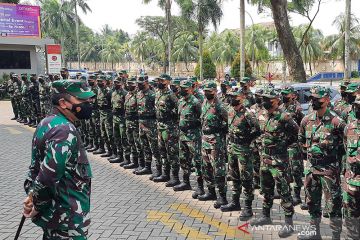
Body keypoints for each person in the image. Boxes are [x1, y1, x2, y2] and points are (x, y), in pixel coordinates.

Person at [23, 79, 94, 239]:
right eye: (82, 100)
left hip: (57, 215)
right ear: (63, 103)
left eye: (89, 99)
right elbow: (48, 176)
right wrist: (37, 204)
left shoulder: (47, 123)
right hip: (67, 219)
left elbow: (35, 169)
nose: (88, 104)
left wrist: (32, 196)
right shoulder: (64, 130)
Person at [298, 86, 345, 240]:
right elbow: (301, 141)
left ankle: (335, 236)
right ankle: (314, 233)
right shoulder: (307, 120)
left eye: (317, 98)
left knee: (333, 205)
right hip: (312, 168)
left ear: (326, 100)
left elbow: (347, 143)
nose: (314, 101)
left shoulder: (336, 122)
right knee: (312, 202)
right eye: (312, 98)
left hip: (329, 170)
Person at [250, 86, 298, 238]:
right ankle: (266, 216)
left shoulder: (285, 117)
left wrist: (283, 146)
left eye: (268, 100)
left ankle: (289, 224)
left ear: (276, 101)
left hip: (279, 161)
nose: (264, 102)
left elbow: (297, 134)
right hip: (265, 159)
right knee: (266, 190)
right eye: (263, 99)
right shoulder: (263, 115)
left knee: (284, 191)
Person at [221, 90, 261, 221]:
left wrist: (246, 140)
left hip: (244, 150)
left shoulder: (248, 114)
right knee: (234, 177)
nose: (232, 99)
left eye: (235, 97)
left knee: (246, 179)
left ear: (242, 98)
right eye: (231, 97)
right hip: (232, 148)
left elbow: (257, 130)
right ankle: (235, 202)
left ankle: (248, 208)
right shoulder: (230, 110)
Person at [198, 81, 228, 209]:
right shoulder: (205, 102)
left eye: (209, 91)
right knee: (206, 168)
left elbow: (229, 122)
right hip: (205, 140)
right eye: (205, 91)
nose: (206, 93)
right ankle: (211, 192)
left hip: (216, 142)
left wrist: (221, 133)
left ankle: (222, 197)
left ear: (215, 92)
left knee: (218, 169)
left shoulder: (220, 106)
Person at [154, 74, 180, 186]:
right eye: (159, 80)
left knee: (172, 153)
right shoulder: (158, 93)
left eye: (162, 81)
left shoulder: (171, 95)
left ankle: (175, 178)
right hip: (160, 126)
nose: (160, 82)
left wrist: (173, 121)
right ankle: (165, 174)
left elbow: (179, 111)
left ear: (168, 82)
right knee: (162, 151)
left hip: (169, 128)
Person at [280, 86, 304, 206]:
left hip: (294, 144)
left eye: (286, 94)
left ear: (292, 95)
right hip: (283, 144)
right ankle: (287, 192)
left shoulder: (297, 108)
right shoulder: (281, 107)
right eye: (283, 94)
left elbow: (302, 125)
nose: (284, 96)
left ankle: (297, 195)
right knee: (285, 170)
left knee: (296, 170)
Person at [175, 79, 202, 192]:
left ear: (191, 89)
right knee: (183, 160)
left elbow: (202, 118)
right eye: (181, 88)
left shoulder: (195, 102)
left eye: (185, 89)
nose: (182, 91)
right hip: (182, 135)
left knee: (197, 162)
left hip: (193, 136)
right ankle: (185, 182)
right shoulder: (180, 101)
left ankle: (200, 187)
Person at [135, 75, 161, 177]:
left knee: (154, 148)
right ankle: (147, 167)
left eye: (141, 84)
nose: (139, 85)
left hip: (151, 124)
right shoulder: (138, 94)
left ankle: (159, 170)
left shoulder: (152, 95)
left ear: (146, 83)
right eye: (138, 84)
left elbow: (157, 110)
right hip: (141, 123)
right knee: (145, 146)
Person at [343, 95, 360, 240]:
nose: (358, 109)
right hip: (352, 180)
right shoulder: (350, 127)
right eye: (357, 106)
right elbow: (346, 149)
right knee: (350, 213)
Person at [122, 76, 143, 169]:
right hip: (128, 121)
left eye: (132, 84)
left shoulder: (138, 95)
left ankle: (141, 164)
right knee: (131, 142)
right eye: (128, 84)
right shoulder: (127, 95)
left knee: (138, 143)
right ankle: (134, 162)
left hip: (136, 122)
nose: (129, 85)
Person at [109, 77, 130, 164]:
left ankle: (127, 158)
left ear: (121, 83)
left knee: (124, 138)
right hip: (115, 118)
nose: (115, 84)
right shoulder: (113, 93)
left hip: (122, 119)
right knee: (116, 137)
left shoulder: (125, 93)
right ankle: (119, 156)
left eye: (117, 83)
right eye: (115, 82)